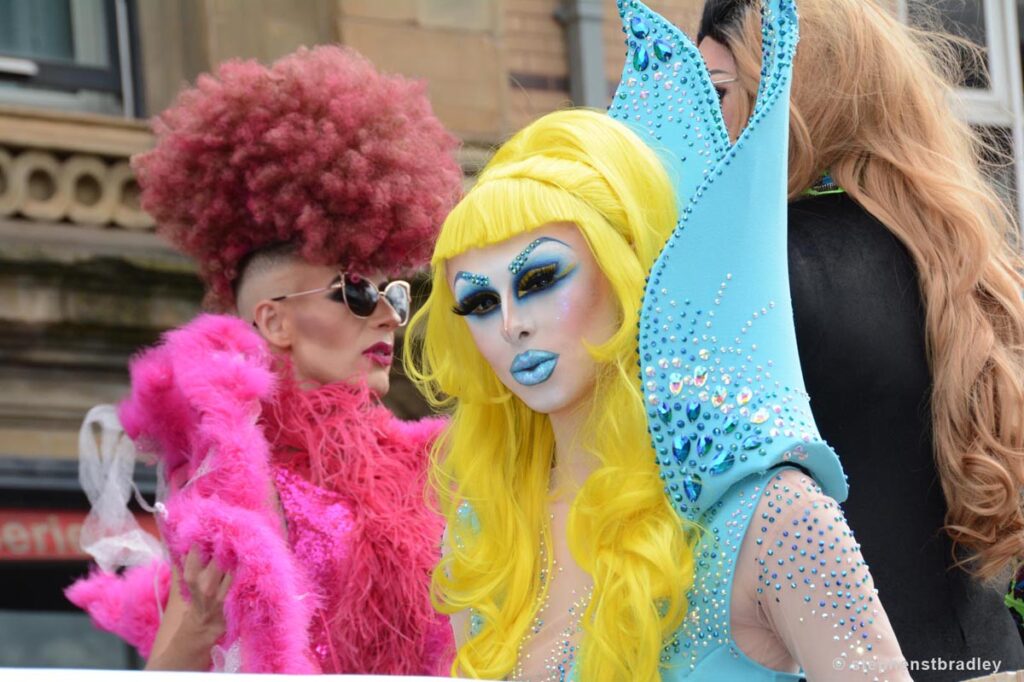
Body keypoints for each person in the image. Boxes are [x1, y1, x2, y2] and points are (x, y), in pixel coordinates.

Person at [406, 1, 906, 679]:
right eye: (480, 301)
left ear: (627, 270)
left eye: (541, 278)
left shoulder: (770, 517)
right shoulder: (486, 538)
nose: (511, 323)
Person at [65, 45, 462, 674]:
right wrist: (200, 624)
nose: (388, 314)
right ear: (274, 320)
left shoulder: (439, 468)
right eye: (357, 292)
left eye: (392, 293)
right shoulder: (231, 474)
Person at [698, 0, 1024, 676]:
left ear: (790, 91)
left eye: (719, 91)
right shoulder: (972, 266)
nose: (704, 120)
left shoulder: (750, 267)